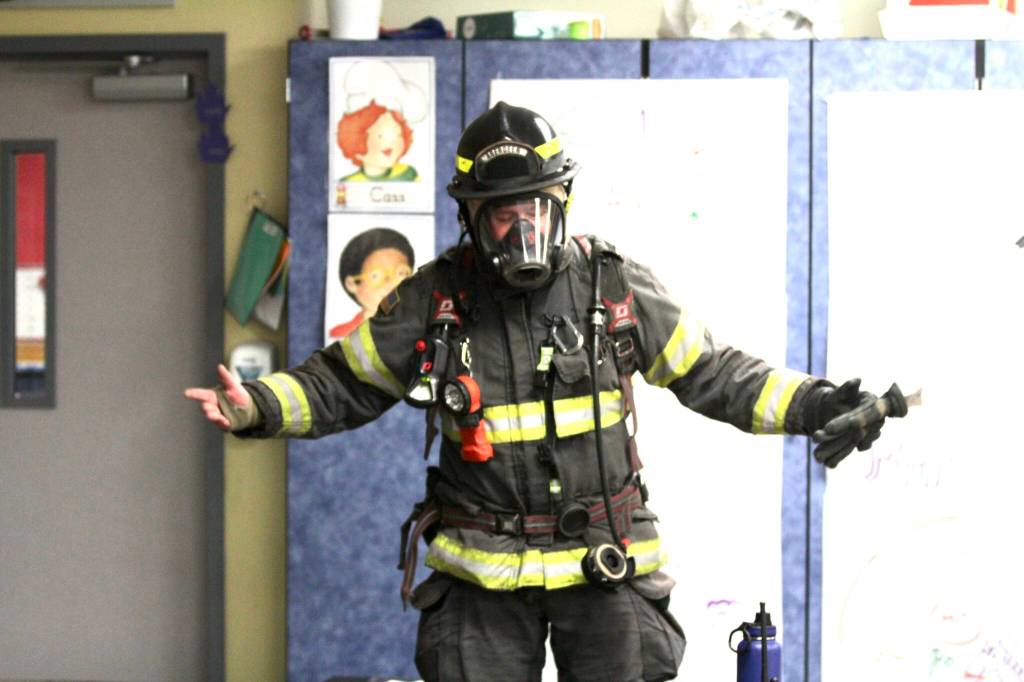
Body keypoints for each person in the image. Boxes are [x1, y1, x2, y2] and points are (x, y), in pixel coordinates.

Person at [186, 102, 892, 682]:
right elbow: (344, 381)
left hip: (605, 567)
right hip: (483, 579)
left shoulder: (611, 286)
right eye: (503, 213)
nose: (523, 228)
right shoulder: (435, 297)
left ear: (562, 203)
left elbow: (715, 373)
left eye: (537, 207)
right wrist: (260, 405)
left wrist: (817, 403)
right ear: (472, 217)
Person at [328, 227, 414, 339]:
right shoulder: (341, 335)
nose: (390, 284)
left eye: (401, 273)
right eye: (376, 276)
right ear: (352, 284)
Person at [337, 100, 419, 182]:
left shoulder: (408, 174)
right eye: (380, 136)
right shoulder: (348, 183)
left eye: (398, 135)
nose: (392, 143)